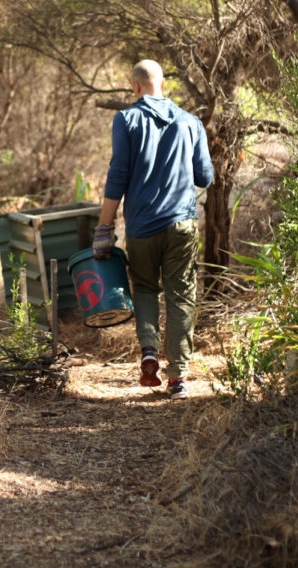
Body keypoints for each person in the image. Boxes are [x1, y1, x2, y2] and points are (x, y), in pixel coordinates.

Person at [93, 60, 213, 400]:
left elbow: (118, 174)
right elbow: (205, 177)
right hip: (182, 225)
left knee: (145, 288)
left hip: (142, 226)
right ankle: (178, 379)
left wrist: (105, 226)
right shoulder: (191, 122)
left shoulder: (126, 119)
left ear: (135, 87)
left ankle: (149, 351)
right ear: (164, 84)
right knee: (180, 295)